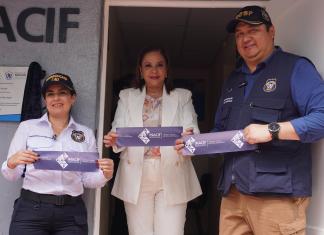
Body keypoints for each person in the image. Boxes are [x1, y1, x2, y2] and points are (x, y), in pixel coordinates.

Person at [211, 5, 324, 235]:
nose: (245, 38)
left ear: (271, 31)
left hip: (277, 197)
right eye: (240, 33)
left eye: (252, 30)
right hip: (233, 196)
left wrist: (271, 130)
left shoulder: (295, 68)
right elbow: (221, 132)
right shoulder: (233, 79)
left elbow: (321, 119)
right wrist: (194, 143)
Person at [103, 46, 202, 235]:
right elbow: (118, 129)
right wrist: (114, 138)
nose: (154, 70)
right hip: (136, 174)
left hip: (172, 173)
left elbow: (193, 130)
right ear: (140, 71)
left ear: (167, 70)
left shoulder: (183, 96)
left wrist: (190, 138)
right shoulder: (127, 96)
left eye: (159, 65)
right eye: (148, 65)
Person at [1, 73, 114, 235]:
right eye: (50, 94)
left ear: (72, 98)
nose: (56, 98)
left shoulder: (86, 134)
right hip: (31, 211)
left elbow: (88, 180)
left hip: (71, 215)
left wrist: (105, 174)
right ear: (45, 100)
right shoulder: (27, 128)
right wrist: (11, 163)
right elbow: (12, 175)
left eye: (62, 93)